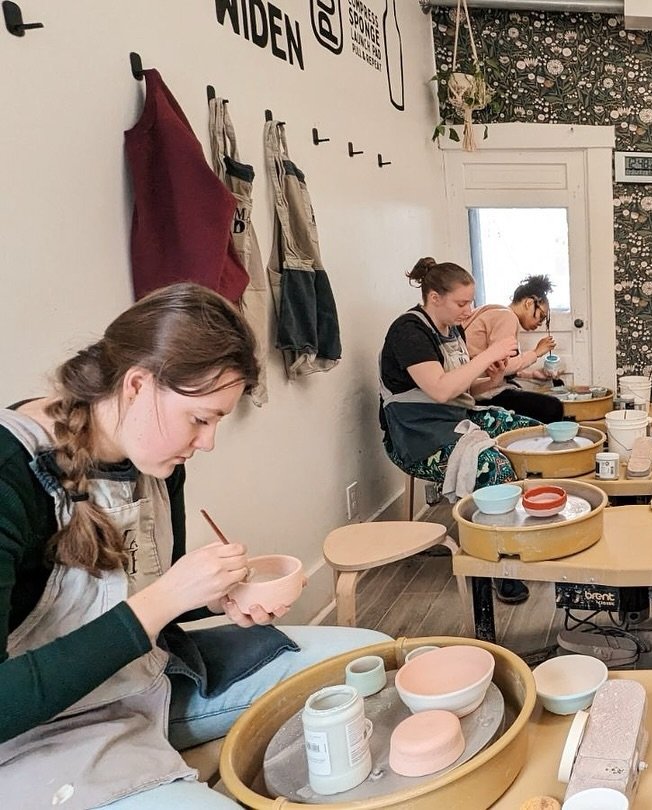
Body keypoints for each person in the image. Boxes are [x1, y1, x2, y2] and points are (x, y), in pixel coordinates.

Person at [0, 284, 388, 809]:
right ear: (137, 386)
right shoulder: (11, 474)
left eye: (217, 422)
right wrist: (165, 600)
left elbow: (143, 602)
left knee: (370, 659)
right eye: (201, 419)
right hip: (36, 736)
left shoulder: (156, 458)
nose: (206, 442)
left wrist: (218, 597)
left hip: (147, 683)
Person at [380, 258, 538, 604]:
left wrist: (493, 379)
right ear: (434, 297)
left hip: (453, 414)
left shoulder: (453, 331)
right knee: (492, 465)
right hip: (416, 433)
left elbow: (465, 391)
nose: (470, 310)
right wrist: (490, 354)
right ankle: (499, 562)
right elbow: (438, 390)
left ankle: (532, 532)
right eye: (462, 303)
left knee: (530, 436)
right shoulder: (409, 331)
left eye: (470, 301)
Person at [462, 274, 565, 424]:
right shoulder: (506, 317)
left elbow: (498, 366)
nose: (540, 323)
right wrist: (536, 352)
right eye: (541, 316)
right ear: (529, 303)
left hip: (476, 385)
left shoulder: (497, 312)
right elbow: (501, 367)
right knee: (553, 407)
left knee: (547, 390)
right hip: (480, 392)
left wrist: (532, 375)